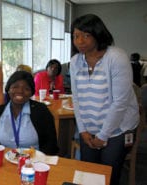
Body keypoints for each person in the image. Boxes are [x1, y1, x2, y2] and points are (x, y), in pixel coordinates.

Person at [69, 14, 139, 185]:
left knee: (108, 175)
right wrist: (83, 130)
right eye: (76, 36)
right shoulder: (75, 61)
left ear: (98, 34)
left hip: (119, 129)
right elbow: (76, 99)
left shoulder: (116, 57)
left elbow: (119, 103)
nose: (80, 41)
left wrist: (103, 135)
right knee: (89, 174)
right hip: (90, 128)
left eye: (86, 35)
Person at [0, 71, 58, 155]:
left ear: (31, 92)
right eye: (15, 87)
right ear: (8, 89)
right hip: (5, 162)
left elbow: (51, 145)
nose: (20, 91)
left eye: (26, 89)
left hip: (34, 162)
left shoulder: (41, 111)